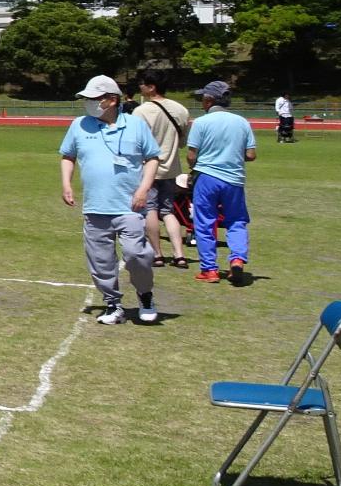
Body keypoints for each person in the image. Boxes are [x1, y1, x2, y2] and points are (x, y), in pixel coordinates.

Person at [58, 74, 161, 325]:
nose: (88, 103)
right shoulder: (79, 125)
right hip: (95, 207)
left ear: (112, 100)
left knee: (136, 254)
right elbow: (67, 155)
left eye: (94, 98)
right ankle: (112, 304)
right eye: (86, 98)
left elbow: (152, 158)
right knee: (101, 261)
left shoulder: (136, 125)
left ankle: (145, 295)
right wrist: (66, 184)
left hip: (130, 206)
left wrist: (143, 190)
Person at [188, 80, 257, 284]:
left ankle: (209, 269)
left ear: (209, 100)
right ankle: (237, 258)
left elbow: (192, 156)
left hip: (207, 176)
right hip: (234, 179)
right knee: (236, 220)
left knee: (205, 222)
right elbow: (251, 154)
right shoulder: (242, 122)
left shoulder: (201, 123)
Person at [133, 71, 193, 268]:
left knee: (150, 210)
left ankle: (157, 254)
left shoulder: (141, 111)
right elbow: (183, 142)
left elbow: (135, 143)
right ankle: (179, 254)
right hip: (171, 168)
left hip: (147, 168)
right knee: (168, 211)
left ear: (152, 87)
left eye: (143, 83)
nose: (140, 86)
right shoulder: (181, 110)